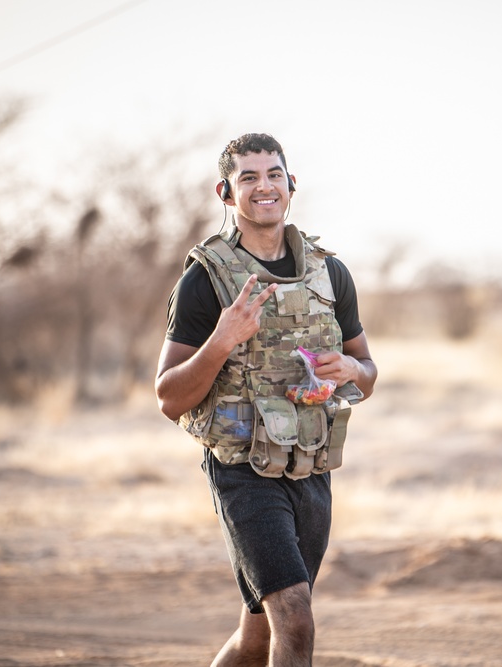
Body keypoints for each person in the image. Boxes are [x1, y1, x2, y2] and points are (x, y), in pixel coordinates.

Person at [155, 133, 377, 666]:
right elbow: (168, 397)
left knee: (257, 637)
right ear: (226, 193)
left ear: (291, 185)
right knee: (295, 619)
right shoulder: (204, 281)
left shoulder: (330, 273)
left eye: (274, 174)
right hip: (241, 470)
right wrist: (222, 339)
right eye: (248, 177)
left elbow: (367, 374)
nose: (264, 186)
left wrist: (347, 369)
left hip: (310, 468)